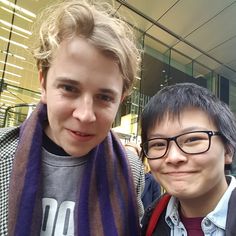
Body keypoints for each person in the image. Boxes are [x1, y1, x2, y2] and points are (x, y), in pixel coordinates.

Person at [0, 0, 145, 235]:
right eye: (69, 88)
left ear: (120, 99)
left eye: (104, 97)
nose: (85, 115)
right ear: (43, 83)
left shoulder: (131, 169)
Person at [140, 83, 236, 235]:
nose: (173, 157)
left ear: (228, 150)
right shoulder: (151, 220)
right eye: (158, 144)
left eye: (192, 139)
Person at [125, 142, 161, 210]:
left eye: (132, 155)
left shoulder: (152, 180)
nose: (128, 158)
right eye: (125, 154)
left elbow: (156, 206)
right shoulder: (116, 178)